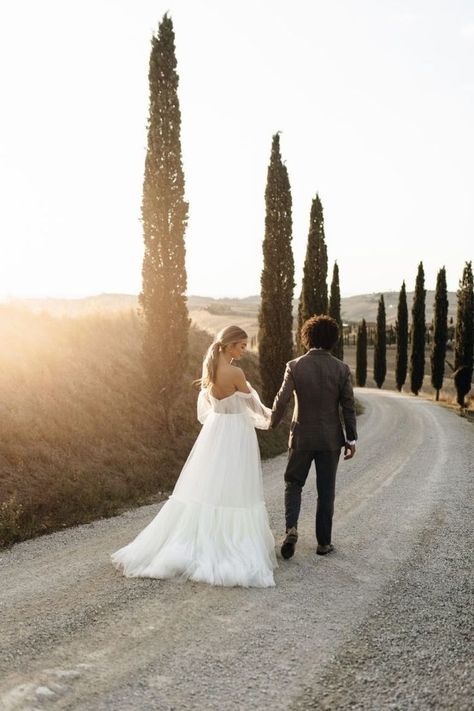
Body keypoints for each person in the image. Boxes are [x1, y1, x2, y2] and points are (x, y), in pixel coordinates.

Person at [111, 325, 277, 587]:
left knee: (209, 484)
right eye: (242, 346)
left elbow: (211, 406)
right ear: (230, 345)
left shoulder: (210, 369)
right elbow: (250, 404)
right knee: (234, 485)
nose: (245, 351)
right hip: (235, 432)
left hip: (216, 430)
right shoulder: (235, 372)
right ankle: (225, 543)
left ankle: (198, 538)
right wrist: (270, 414)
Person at [270, 315, 357, 559]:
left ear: (306, 337)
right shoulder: (341, 369)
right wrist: (351, 439)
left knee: (293, 483)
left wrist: (271, 423)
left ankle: (291, 529)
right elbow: (348, 406)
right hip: (330, 440)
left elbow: (282, 400)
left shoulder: (295, 365)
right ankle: (324, 543)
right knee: (326, 490)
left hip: (301, 437)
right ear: (333, 340)